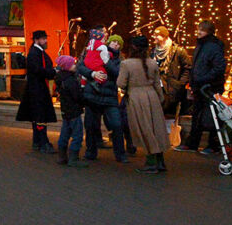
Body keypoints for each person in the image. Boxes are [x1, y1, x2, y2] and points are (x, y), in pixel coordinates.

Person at [119, 35, 170, 174]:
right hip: (152, 96)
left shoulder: (126, 64)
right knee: (156, 128)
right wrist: (160, 99)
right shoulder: (152, 63)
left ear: (133, 47)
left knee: (144, 129)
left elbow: (121, 83)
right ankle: (160, 161)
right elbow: (157, 84)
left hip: (136, 98)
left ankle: (151, 163)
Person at [177, 21, 227, 154]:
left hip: (210, 86)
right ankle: (193, 143)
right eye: (199, 29)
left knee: (212, 115)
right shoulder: (202, 45)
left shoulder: (212, 47)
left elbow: (219, 67)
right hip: (201, 86)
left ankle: (212, 144)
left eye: (202, 30)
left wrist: (202, 79)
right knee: (198, 115)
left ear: (208, 32)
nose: (199, 32)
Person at [79, 33, 128, 163]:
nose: (116, 45)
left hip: (110, 97)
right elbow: (81, 67)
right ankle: (90, 152)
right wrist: (92, 73)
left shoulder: (120, 60)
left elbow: (117, 73)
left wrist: (106, 62)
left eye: (118, 43)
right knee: (90, 126)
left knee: (117, 125)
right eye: (114, 42)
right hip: (92, 95)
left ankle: (120, 154)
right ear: (108, 43)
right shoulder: (95, 52)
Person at [16, 29, 57, 154]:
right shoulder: (35, 53)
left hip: (38, 88)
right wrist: (53, 72)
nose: (46, 41)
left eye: (45, 38)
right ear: (36, 40)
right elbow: (39, 70)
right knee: (40, 116)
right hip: (37, 90)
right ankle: (43, 142)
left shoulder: (37, 52)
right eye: (43, 39)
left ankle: (37, 141)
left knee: (37, 116)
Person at [54, 55, 88, 167]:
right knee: (77, 134)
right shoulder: (70, 81)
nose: (75, 65)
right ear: (67, 67)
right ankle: (74, 158)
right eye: (73, 64)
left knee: (65, 132)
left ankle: (62, 156)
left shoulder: (61, 79)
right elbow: (77, 96)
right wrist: (84, 101)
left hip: (65, 110)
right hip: (74, 110)